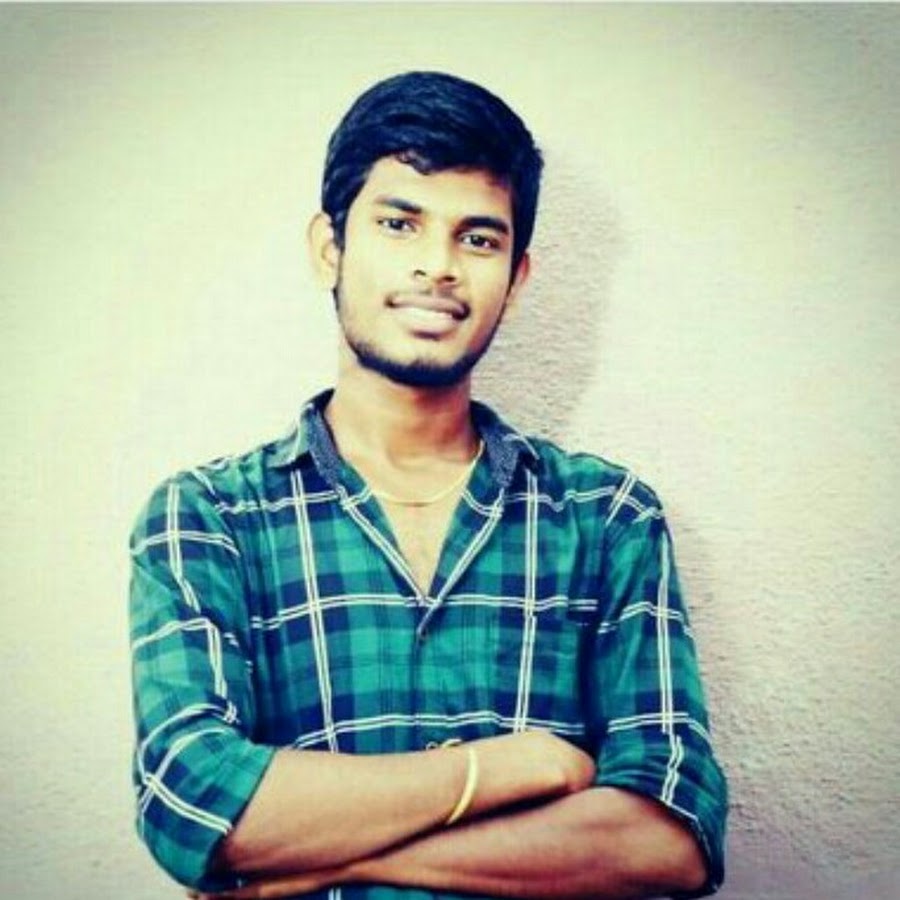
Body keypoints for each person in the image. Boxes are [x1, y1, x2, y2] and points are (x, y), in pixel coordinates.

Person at [129, 71, 728, 900]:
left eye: (477, 239)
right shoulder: (208, 518)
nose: (438, 267)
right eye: (399, 224)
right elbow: (192, 805)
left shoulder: (606, 517)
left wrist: (333, 855)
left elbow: (670, 835)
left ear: (516, 277)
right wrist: (507, 767)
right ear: (330, 248)